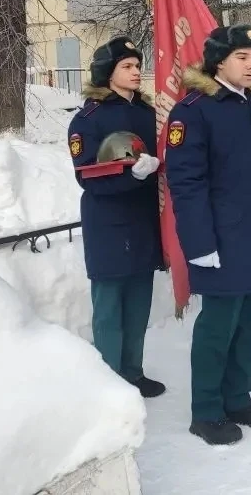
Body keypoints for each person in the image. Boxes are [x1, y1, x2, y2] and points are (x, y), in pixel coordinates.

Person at [165, 24, 251, 446]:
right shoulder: (194, 111)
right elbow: (186, 184)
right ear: (218, 62)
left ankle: (238, 399)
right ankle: (207, 411)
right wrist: (200, 245)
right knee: (217, 328)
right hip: (222, 240)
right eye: (241, 57)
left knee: (247, 325)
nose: (250, 65)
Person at [68, 36, 165, 400]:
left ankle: (133, 372)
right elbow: (87, 175)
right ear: (107, 72)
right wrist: (132, 176)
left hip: (144, 218)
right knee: (110, 306)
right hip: (108, 221)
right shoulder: (88, 119)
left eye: (137, 65)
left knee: (139, 303)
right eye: (127, 66)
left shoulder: (148, 114)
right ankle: (109, 380)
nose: (136, 72)